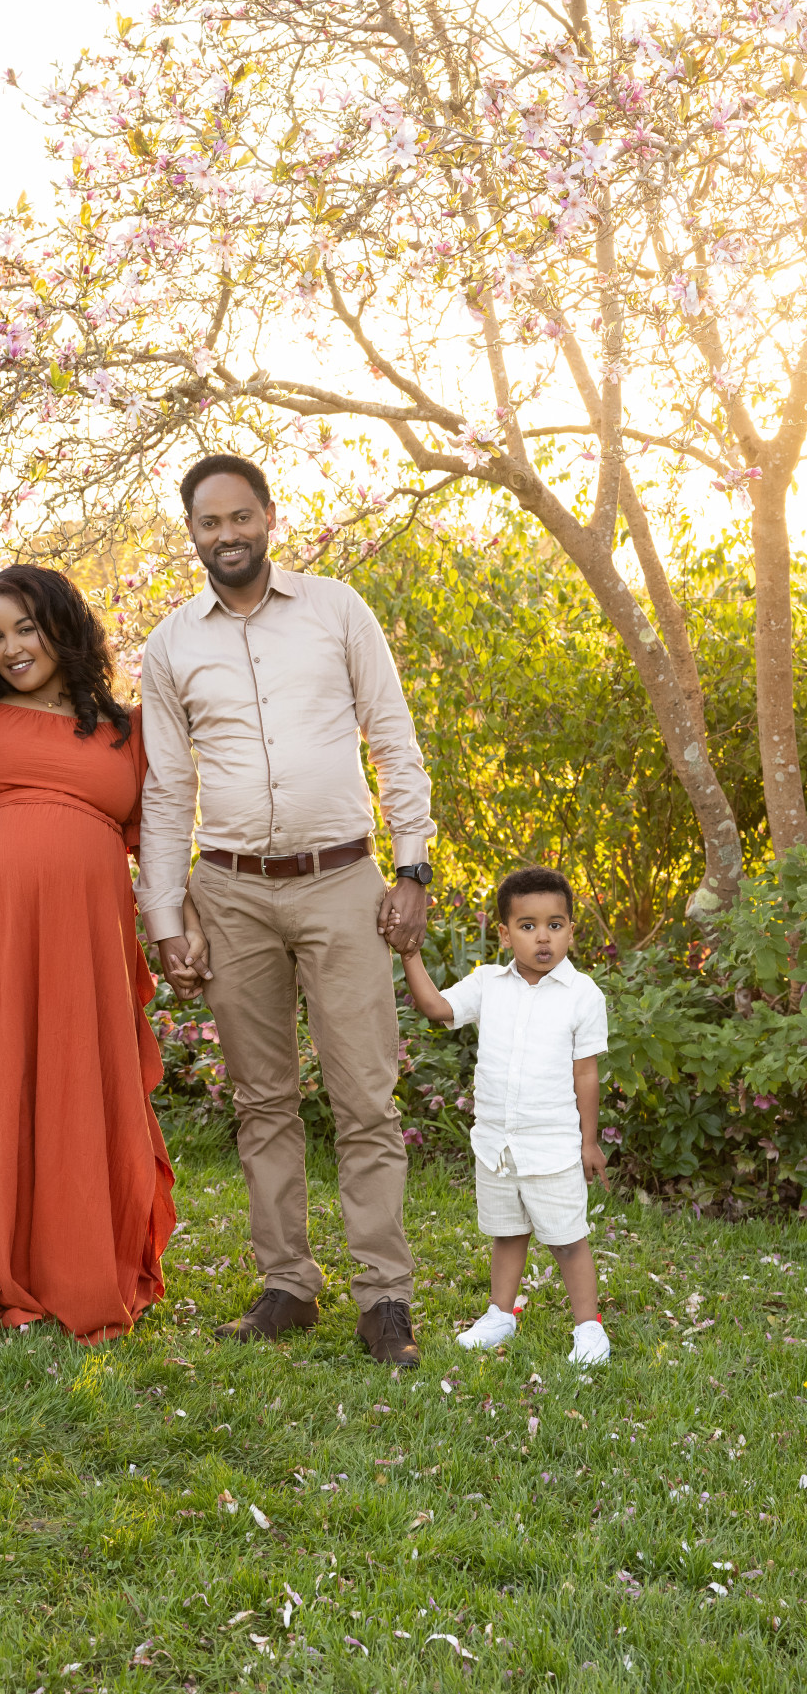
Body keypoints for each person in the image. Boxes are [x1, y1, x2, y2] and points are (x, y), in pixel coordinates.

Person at [138, 453, 436, 1367]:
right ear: (190, 533)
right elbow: (164, 791)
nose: (225, 535)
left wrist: (414, 866)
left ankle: (383, 1297)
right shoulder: (171, 644)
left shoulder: (339, 611)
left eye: (239, 518)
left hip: (342, 881)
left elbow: (393, 737)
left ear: (269, 518)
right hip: (227, 891)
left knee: (365, 1098)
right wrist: (165, 918)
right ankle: (287, 1287)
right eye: (207, 523)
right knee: (260, 1100)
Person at [0, 565, 206, 1343]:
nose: (12, 647)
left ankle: (76, 1267)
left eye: (27, 627)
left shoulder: (126, 728)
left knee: (72, 1087)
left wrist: (180, 928)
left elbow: (159, 842)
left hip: (82, 943)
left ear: (65, 625)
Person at [399, 866, 613, 1367]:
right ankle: (501, 1313)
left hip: (553, 1144)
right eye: (528, 925)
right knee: (507, 1232)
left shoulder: (583, 995)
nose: (543, 937)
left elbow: (586, 1076)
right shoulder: (487, 984)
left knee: (567, 1240)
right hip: (496, 1143)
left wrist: (588, 1141)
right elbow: (435, 1008)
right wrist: (409, 954)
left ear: (571, 931)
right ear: (504, 932)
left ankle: (589, 1327)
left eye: (556, 925)